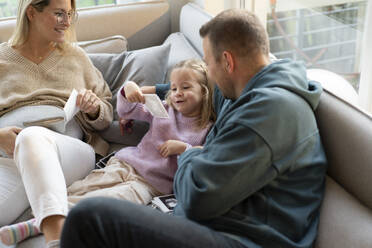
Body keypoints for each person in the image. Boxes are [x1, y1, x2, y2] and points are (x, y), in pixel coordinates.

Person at [60, 8, 328, 248]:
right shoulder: (249, 91)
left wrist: (191, 154)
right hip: (218, 222)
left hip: (241, 238)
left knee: (90, 216)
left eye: (209, 63)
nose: (209, 74)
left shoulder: (270, 113)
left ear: (228, 61)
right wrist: (151, 90)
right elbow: (191, 91)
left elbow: (197, 197)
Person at [0, 59, 215, 245]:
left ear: (204, 92)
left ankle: (35, 224)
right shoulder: (163, 110)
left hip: (149, 184)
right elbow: (126, 110)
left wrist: (183, 148)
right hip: (125, 164)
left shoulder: (207, 128)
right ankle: (46, 218)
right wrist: (128, 88)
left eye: (186, 88)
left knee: (107, 199)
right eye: (174, 88)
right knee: (79, 189)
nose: (178, 94)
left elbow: (208, 156)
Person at [0, 0, 113, 247]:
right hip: (7, 156)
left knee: (31, 136)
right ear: (32, 12)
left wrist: (94, 108)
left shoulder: (76, 57)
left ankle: (57, 240)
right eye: (59, 13)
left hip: (68, 151)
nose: (67, 21)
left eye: (70, 14)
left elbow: (107, 113)